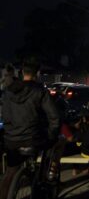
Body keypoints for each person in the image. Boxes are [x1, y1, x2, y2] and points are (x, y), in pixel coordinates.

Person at [0, 58, 60, 199]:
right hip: (33, 139)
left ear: (21, 72)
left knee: (10, 172)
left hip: (11, 140)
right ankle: (49, 176)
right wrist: (52, 135)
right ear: (37, 73)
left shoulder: (8, 92)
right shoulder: (40, 91)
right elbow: (54, 117)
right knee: (58, 142)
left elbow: (5, 116)